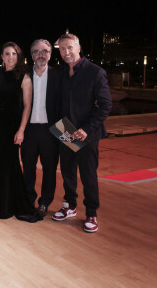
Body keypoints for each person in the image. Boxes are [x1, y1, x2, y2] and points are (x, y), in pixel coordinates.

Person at [52, 31, 112, 233]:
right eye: (62, 48)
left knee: (88, 176)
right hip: (65, 130)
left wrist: (86, 129)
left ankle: (91, 214)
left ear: (79, 47)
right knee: (67, 172)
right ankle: (70, 206)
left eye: (70, 47)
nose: (66, 52)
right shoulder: (60, 73)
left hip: (86, 133)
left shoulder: (95, 72)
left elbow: (105, 105)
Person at [0, 42, 43, 223]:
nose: (11, 57)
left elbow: (27, 106)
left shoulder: (24, 77)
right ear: (2, 56)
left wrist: (21, 130)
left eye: (14, 54)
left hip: (11, 126)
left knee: (9, 164)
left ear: (18, 56)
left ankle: (8, 206)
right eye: (7, 53)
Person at [20, 39, 61, 217]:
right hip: (28, 130)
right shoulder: (24, 74)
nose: (41, 55)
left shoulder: (58, 75)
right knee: (28, 168)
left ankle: (45, 203)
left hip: (52, 131)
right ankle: (28, 200)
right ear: (32, 55)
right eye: (37, 51)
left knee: (49, 169)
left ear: (50, 54)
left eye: (44, 51)